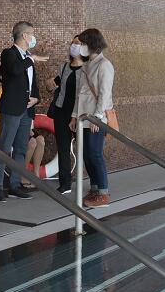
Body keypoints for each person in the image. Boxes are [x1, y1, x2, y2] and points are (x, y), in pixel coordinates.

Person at [0, 21, 40, 201]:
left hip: (26, 111)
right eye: (32, 34)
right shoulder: (9, 53)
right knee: (4, 148)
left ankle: (15, 184)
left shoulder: (28, 57)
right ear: (24, 36)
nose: (34, 37)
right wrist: (30, 59)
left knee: (21, 149)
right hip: (12, 110)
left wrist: (36, 98)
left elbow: (33, 84)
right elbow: (14, 69)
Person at [73, 27, 115, 208]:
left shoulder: (104, 65)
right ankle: (95, 188)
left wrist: (97, 117)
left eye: (83, 43)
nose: (80, 46)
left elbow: (105, 94)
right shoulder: (87, 65)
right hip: (83, 118)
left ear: (92, 44)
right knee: (86, 155)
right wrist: (74, 116)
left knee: (95, 154)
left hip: (96, 118)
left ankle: (103, 193)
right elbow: (80, 94)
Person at [46, 34, 86, 194]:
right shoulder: (64, 67)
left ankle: (96, 183)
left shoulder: (88, 69)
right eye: (73, 43)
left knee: (87, 149)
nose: (74, 46)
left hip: (81, 114)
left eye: (79, 43)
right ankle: (65, 183)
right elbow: (55, 84)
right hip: (62, 112)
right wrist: (50, 85)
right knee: (63, 148)